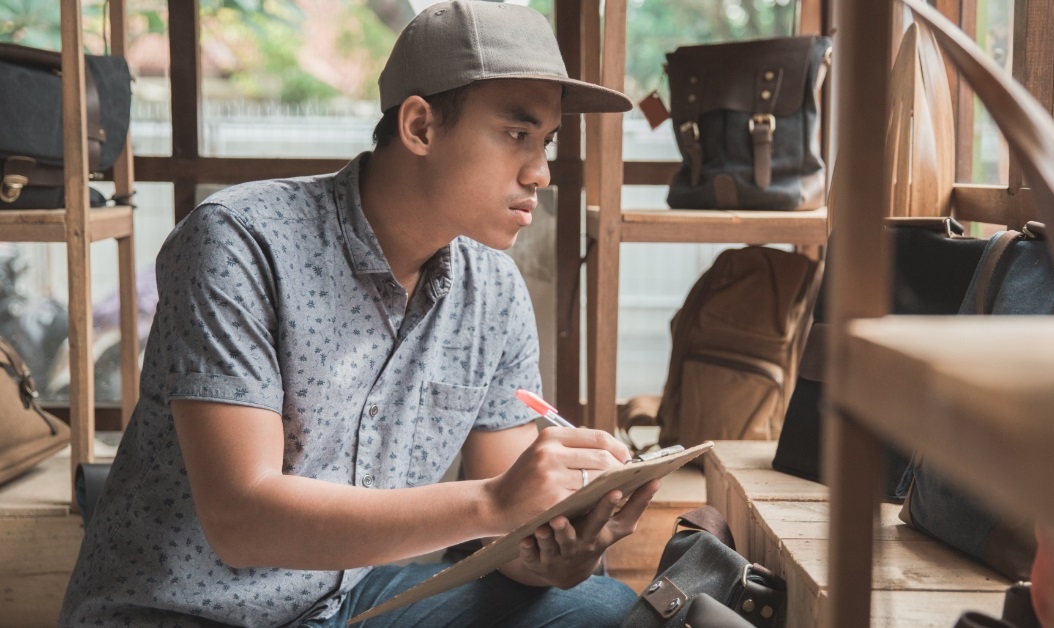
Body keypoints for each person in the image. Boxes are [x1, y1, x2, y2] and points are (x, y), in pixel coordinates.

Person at [60, 2, 656, 626]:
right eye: (517, 134)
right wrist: (494, 503)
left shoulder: (494, 293)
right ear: (421, 127)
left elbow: (502, 540)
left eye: (548, 142)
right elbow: (240, 519)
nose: (540, 172)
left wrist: (557, 552)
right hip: (181, 612)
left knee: (602, 608)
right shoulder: (239, 241)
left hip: (343, 605)